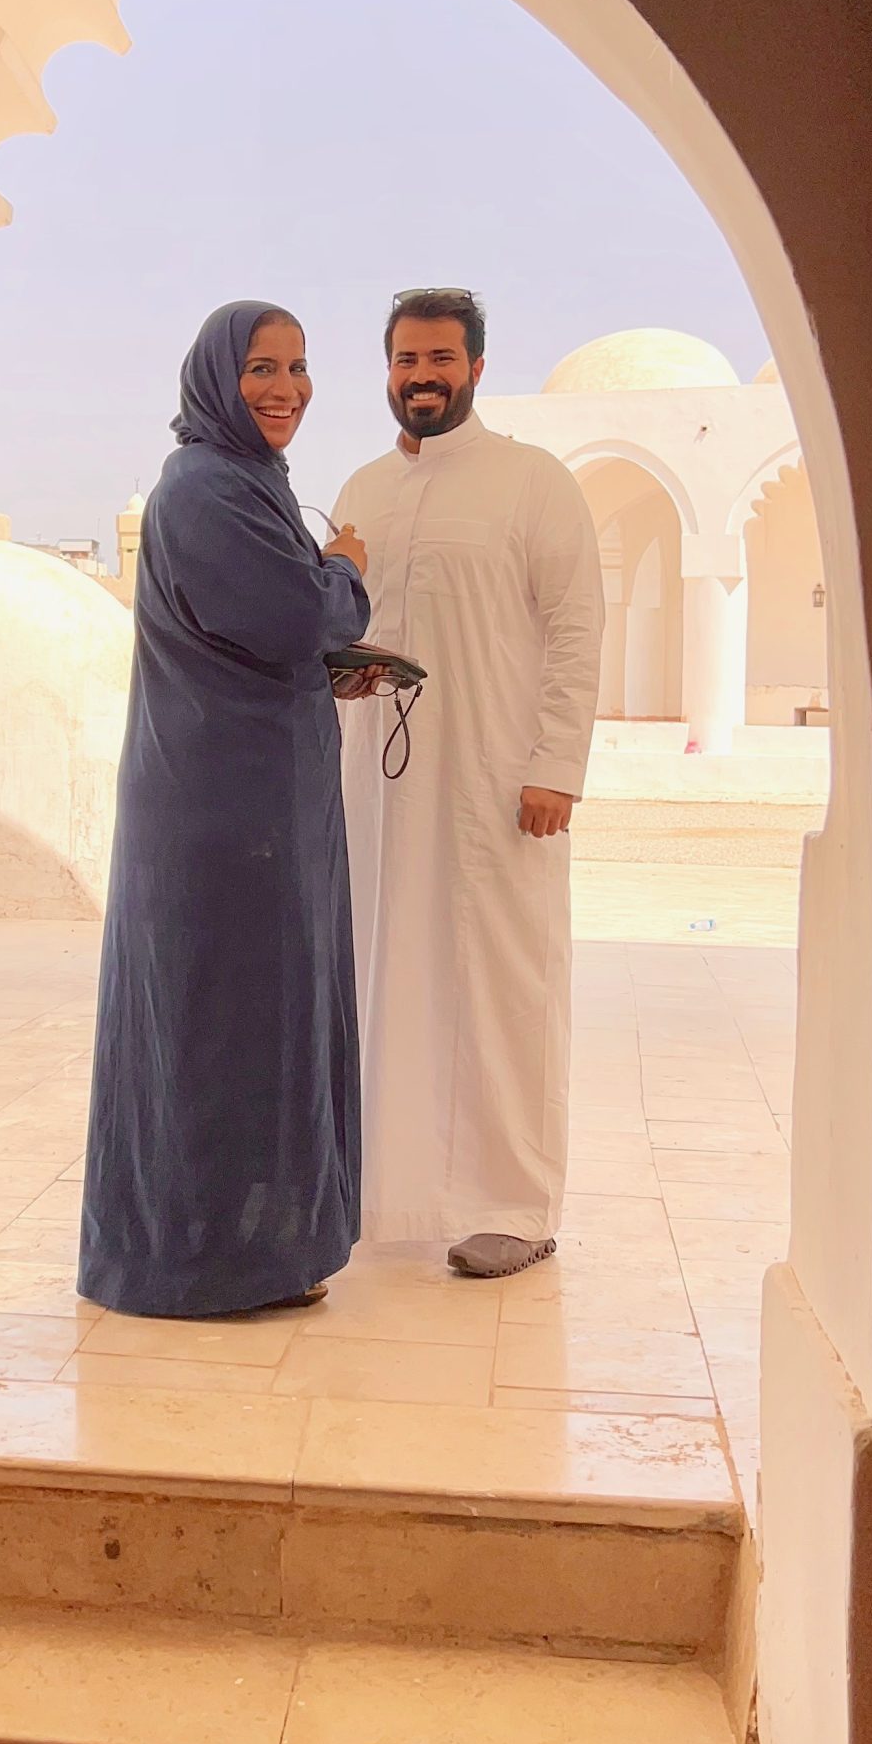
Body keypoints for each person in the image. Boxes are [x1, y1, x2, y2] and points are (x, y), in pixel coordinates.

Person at [80, 299, 371, 1319]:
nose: (284, 387)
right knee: (222, 1030)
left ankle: (264, 1253)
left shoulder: (249, 484)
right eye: (260, 366)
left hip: (259, 802)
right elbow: (294, 610)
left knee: (265, 1026)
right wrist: (345, 574)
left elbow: (258, 637)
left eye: (297, 366)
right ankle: (196, 1263)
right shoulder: (206, 486)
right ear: (216, 377)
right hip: (222, 817)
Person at [336, 287, 604, 1277]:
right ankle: (390, 1190)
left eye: (441, 358)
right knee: (386, 970)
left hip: (499, 783)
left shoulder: (533, 483)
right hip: (379, 784)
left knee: (502, 982)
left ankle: (515, 1204)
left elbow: (576, 628)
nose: (422, 375)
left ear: (477, 368)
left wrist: (555, 766)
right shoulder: (362, 487)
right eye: (407, 359)